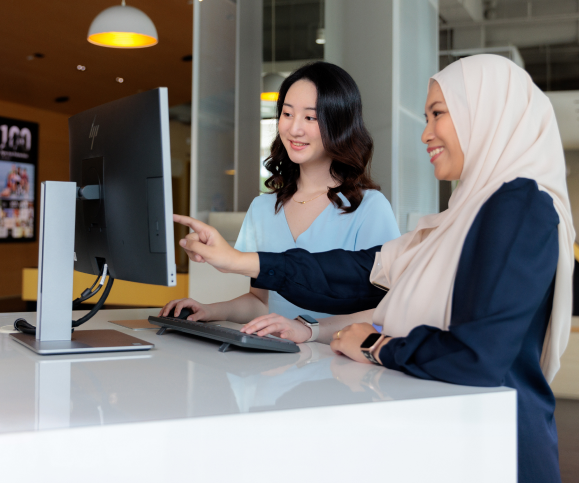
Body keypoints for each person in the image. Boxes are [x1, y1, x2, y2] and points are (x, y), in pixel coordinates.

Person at [173, 55, 574, 483]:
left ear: (490, 113)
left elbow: (479, 355)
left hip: (498, 451)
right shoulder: (461, 219)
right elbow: (359, 271)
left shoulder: (521, 207)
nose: (425, 133)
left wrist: (375, 345)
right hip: (457, 438)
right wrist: (237, 261)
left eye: (438, 114)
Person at [161, 61, 400, 324]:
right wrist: (210, 311)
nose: (294, 129)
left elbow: (386, 309)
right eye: (287, 114)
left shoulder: (369, 208)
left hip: (337, 360)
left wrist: (310, 331)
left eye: (310, 117)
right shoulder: (263, 208)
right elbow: (261, 303)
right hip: (274, 361)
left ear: (339, 123)